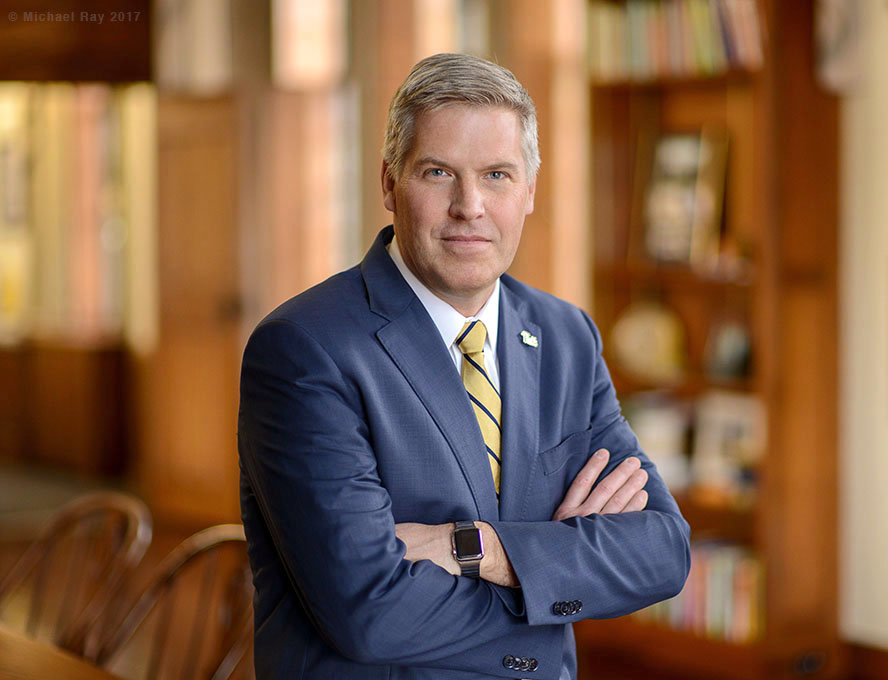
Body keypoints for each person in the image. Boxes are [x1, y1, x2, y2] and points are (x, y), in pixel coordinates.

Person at [237, 52, 690, 680]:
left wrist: (474, 547)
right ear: (389, 183)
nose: (469, 205)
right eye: (438, 172)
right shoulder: (304, 348)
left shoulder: (566, 337)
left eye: (498, 174)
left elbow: (663, 553)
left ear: (530, 190)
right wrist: (556, 571)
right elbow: (370, 612)